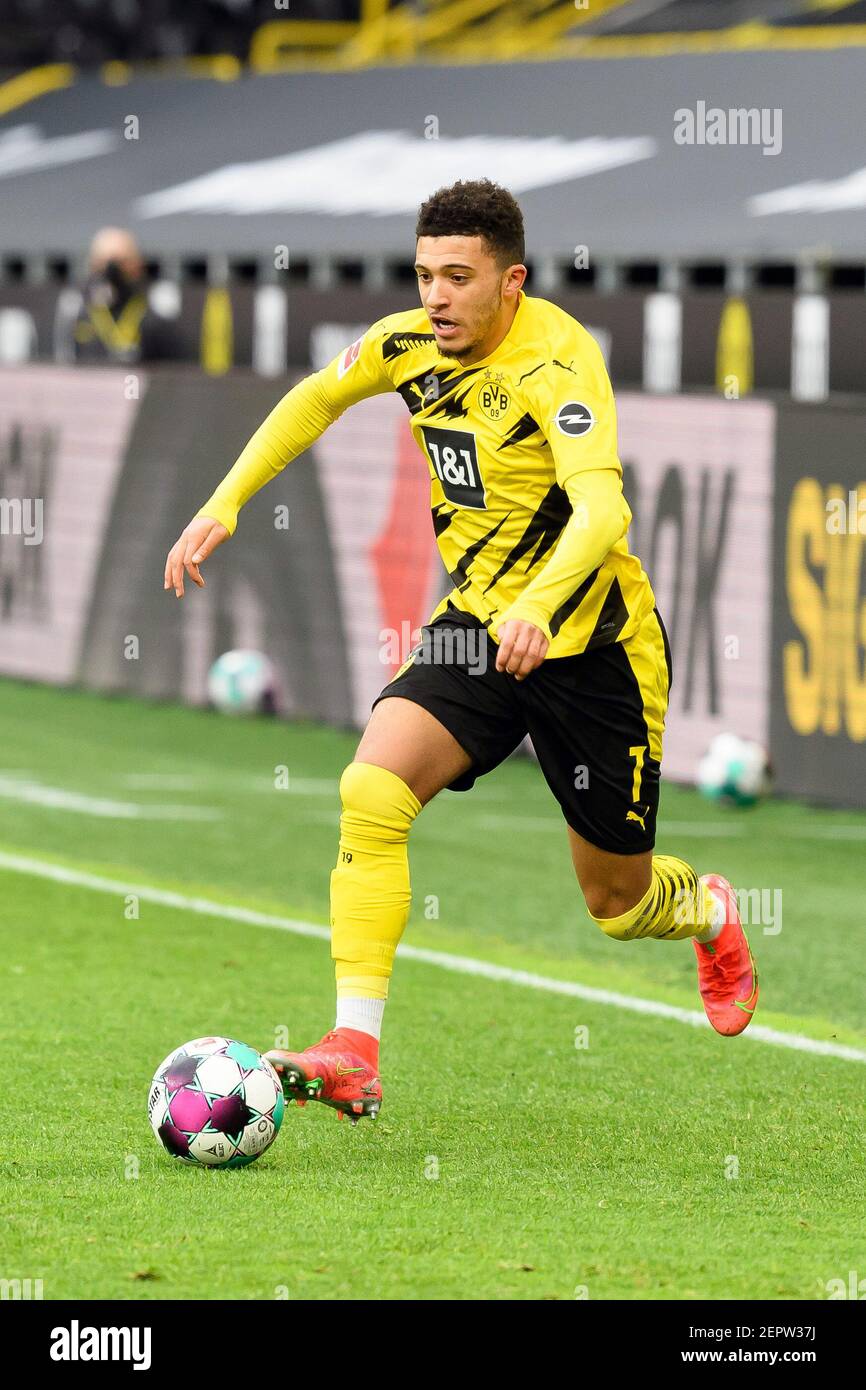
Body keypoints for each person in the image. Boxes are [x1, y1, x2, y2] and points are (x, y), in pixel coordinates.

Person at [164, 179, 759, 1124]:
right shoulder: (409, 345)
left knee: (616, 903)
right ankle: (353, 1047)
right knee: (371, 787)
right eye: (423, 275)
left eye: (457, 277)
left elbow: (603, 510)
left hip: (593, 647)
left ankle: (709, 909)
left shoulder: (559, 365)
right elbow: (314, 400)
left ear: (511, 282)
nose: (434, 296)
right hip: (481, 625)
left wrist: (542, 605)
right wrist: (224, 500)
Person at [68, 227, 177, 364]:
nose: (113, 271)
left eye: (122, 262)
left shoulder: (156, 305)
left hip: (139, 382)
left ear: (137, 264)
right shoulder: (76, 306)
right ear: (93, 263)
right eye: (105, 262)